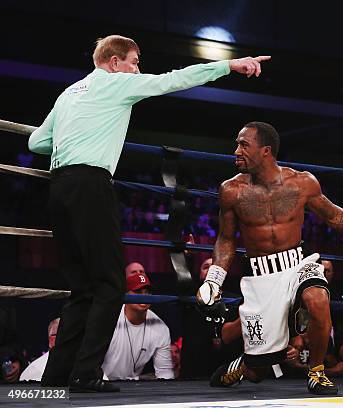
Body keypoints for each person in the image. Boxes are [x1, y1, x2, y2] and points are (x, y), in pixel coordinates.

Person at [27, 34, 270, 392]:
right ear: (114, 63)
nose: (137, 68)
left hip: (59, 187)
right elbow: (173, 79)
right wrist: (230, 65)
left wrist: (73, 137)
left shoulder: (69, 93)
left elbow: (36, 143)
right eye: (134, 61)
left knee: (81, 288)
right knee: (110, 285)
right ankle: (86, 374)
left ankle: (56, 376)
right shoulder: (116, 84)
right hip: (91, 186)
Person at [196, 121, 343, 395]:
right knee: (259, 370)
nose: (236, 151)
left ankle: (317, 372)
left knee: (318, 298)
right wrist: (214, 280)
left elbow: (334, 216)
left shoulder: (301, 183)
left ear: (266, 151)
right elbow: (225, 239)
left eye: (244, 145)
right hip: (260, 276)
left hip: (298, 264)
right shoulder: (232, 191)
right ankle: (246, 364)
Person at [101, 271, 174, 380]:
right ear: (126, 294)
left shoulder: (160, 328)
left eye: (147, 292)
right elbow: (91, 363)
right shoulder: (108, 319)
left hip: (131, 387)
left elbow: (165, 374)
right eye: (138, 291)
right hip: (101, 381)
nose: (144, 296)